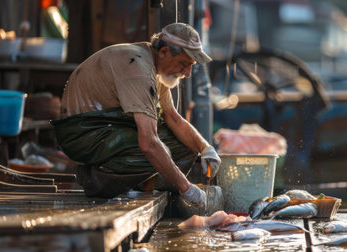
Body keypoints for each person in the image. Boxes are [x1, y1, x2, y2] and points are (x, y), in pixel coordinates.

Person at [51, 23, 221, 208]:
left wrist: (206, 149)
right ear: (164, 52)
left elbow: (173, 118)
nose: (187, 74)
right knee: (153, 147)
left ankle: (137, 185)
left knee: (185, 145)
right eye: (183, 64)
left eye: (191, 66)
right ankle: (97, 182)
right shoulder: (139, 69)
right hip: (81, 133)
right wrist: (187, 188)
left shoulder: (155, 67)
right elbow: (149, 143)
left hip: (105, 127)